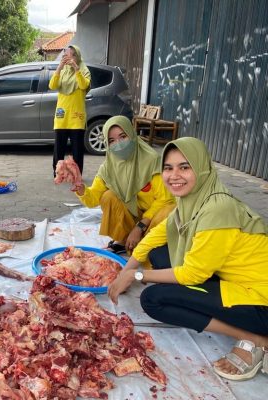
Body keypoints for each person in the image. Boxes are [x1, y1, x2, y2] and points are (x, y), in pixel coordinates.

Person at [109, 137, 268, 381]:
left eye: (184, 167)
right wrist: (124, 272)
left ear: (202, 168)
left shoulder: (217, 209)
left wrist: (136, 275)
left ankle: (255, 338)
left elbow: (194, 273)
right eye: (168, 168)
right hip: (231, 279)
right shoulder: (192, 201)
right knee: (159, 253)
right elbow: (156, 236)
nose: (174, 176)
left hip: (259, 300)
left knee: (153, 299)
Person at [72, 116, 175, 254]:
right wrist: (81, 189)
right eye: (112, 140)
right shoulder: (108, 167)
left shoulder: (152, 161)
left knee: (169, 210)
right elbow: (93, 199)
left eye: (123, 137)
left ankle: (148, 245)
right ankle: (124, 240)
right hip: (132, 216)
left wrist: (140, 227)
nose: (119, 144)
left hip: (153, 218)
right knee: (108, 196)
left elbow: (165, 199)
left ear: (132, 134)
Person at [49, 45, 91, 176]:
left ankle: (76, 175)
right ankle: (58, 173)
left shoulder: (84, 70)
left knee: (77, 150)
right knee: (59, 148)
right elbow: (52, 85)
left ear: (77, 56)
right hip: (62, 116)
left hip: (76, 117)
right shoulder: (62, 71)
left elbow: (84, 85)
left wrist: (76, 69)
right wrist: (60, 67)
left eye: (72, 55)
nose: (69, 58)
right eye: (66, 55)